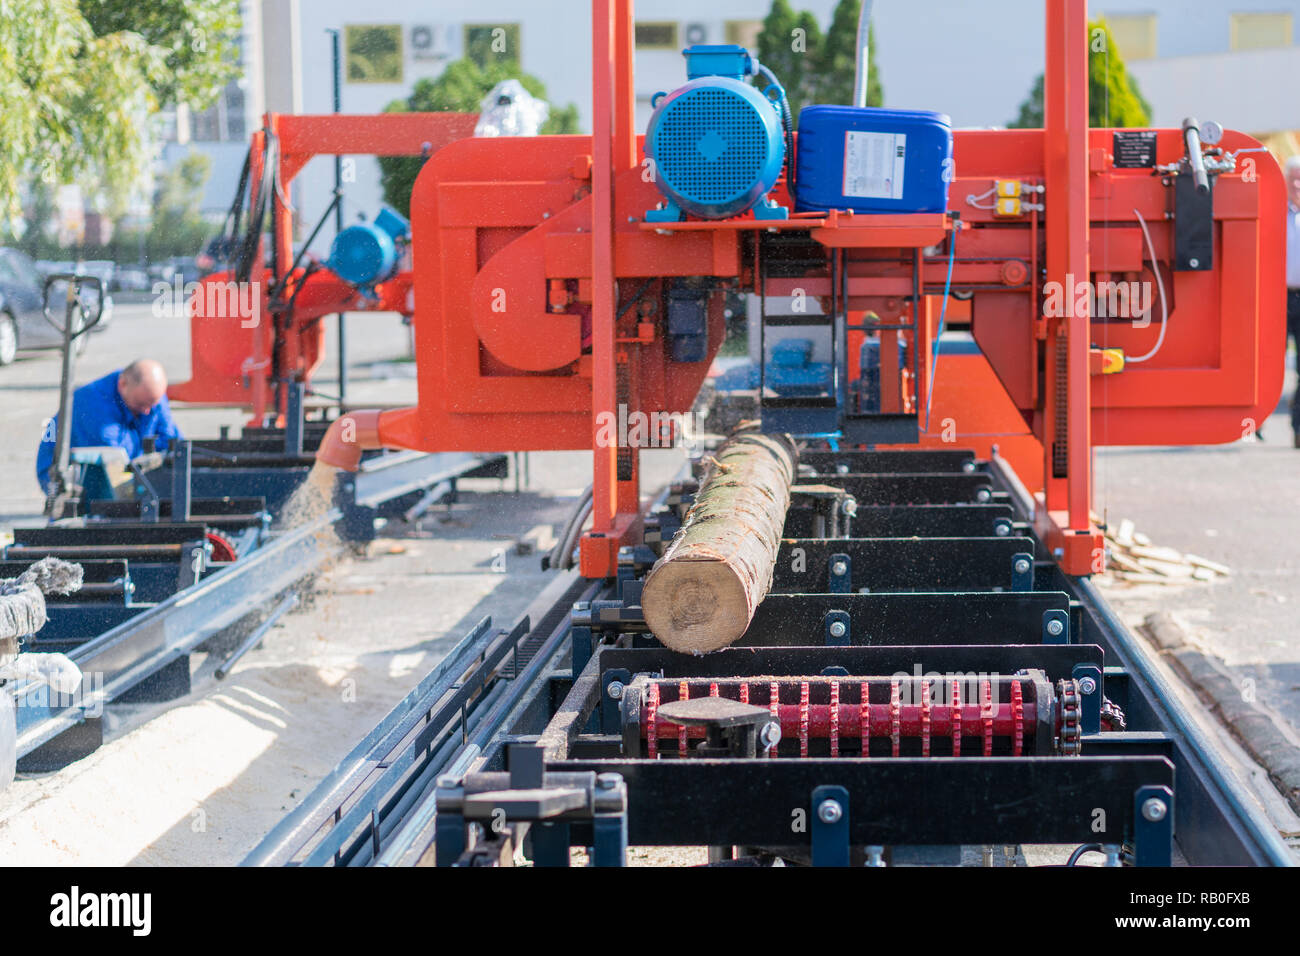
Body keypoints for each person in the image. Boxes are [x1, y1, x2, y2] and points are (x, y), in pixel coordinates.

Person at [36, 359, 183, 490]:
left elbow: (171, 440)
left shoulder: (149, 393)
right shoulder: (94, 408)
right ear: (122, 384)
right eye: (141, 404)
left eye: (153, 404)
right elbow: (120, 464)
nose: (147, 411)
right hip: (63, 475)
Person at [1288, 156, 1300, 447]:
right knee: (1267, 359)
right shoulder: (1276, 213)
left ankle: (1297, 427)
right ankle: (1254, 419)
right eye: (1293, 179)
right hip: (1277, 296)